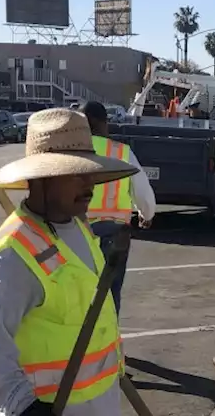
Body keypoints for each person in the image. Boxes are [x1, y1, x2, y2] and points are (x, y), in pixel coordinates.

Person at [0, 108, 137, 415]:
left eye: (90, 171)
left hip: (102, 401)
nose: (89, 185)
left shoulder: (80, 226)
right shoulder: (12, 255)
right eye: (75, 174)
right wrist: (23, 405)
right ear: (41, 180)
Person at [81, 101, 156, 314]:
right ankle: (108, 340)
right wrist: (146, 215)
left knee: (80, 290)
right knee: (110, 293)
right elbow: (142, 190)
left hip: (79, 231)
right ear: (104, 123)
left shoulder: (74, 152)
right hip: (114, 233)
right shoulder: (122, 152)